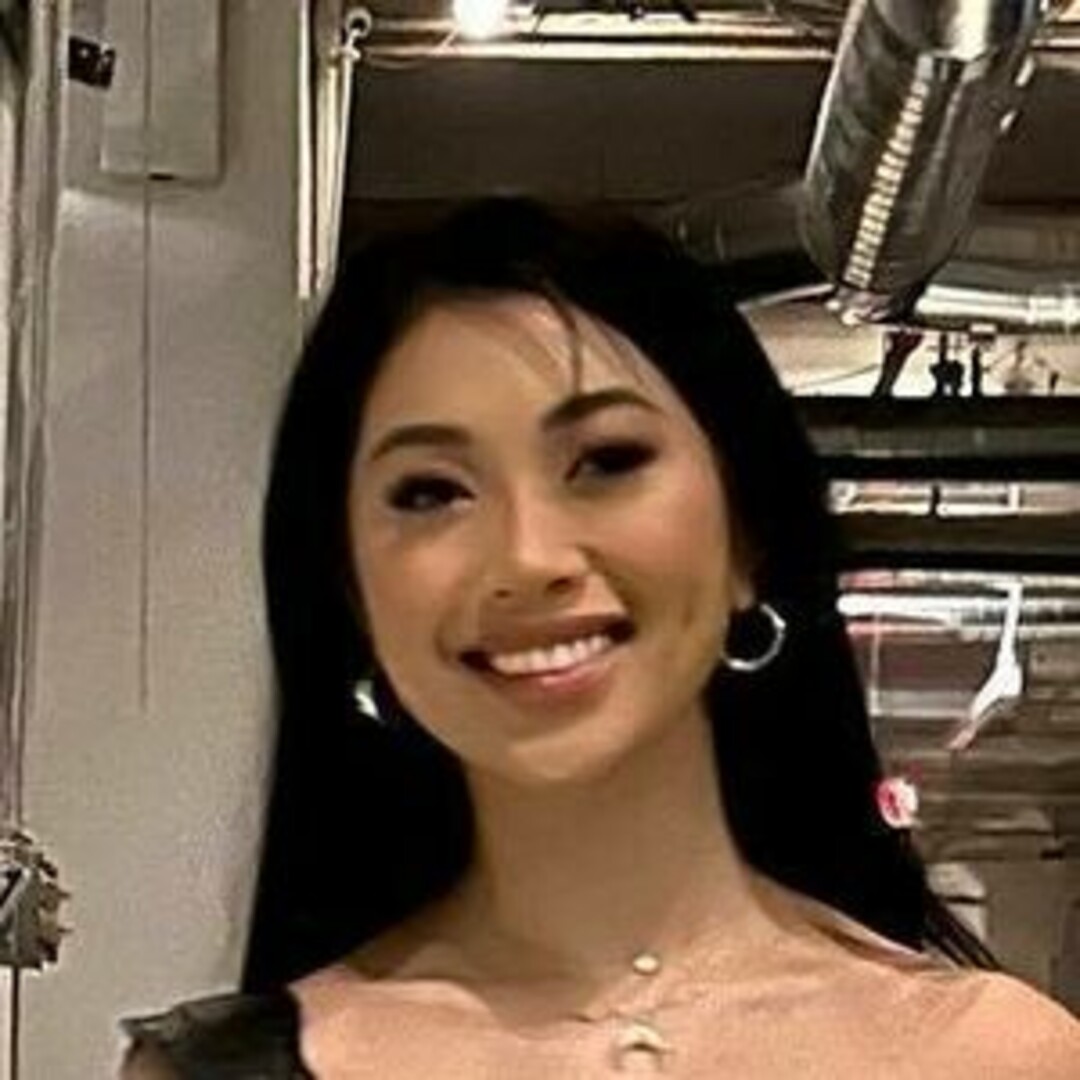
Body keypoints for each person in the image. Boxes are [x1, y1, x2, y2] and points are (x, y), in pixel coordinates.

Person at [120, 198, 1080, 1077]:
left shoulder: (995, 1058)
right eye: (431, 492)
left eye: (606, 461)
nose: (527, 557)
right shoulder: (225, 1073)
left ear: (748, 535)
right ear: (351, 590)